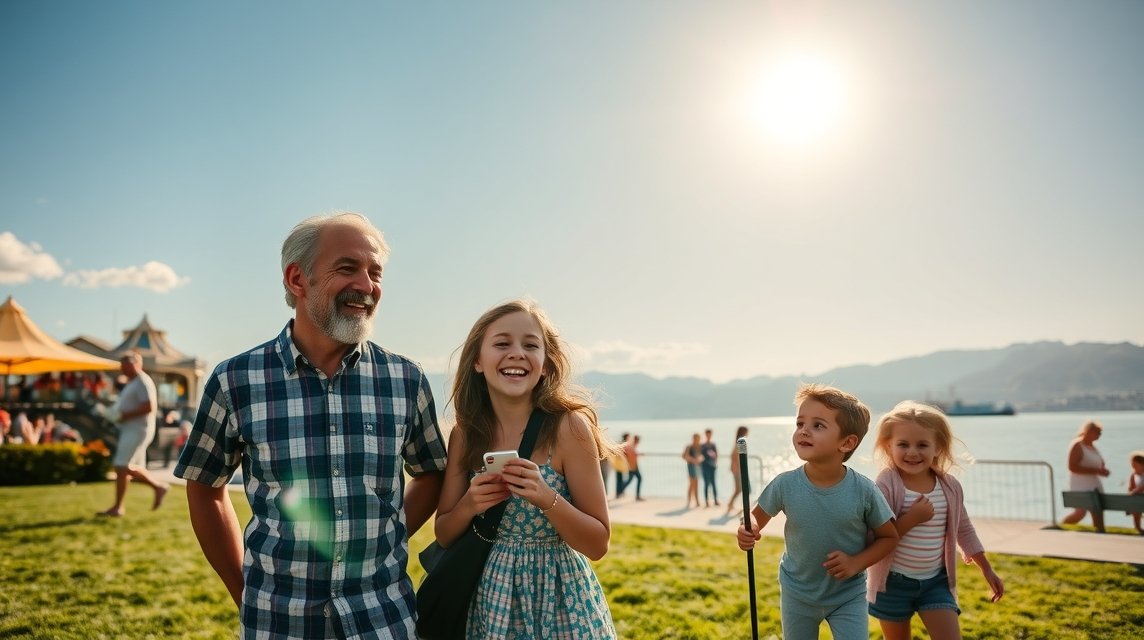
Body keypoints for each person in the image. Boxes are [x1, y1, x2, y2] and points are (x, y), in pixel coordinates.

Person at [174, 212, 448, 640]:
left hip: (384, 618)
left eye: (375, 273)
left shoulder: (405, 379)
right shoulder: (235, 380)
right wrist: (242, 590)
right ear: (297, 280)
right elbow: (205, 488)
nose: (366, 285)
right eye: (347, 268)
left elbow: (432, 471)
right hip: (278, 622)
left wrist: (383, 538)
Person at [433, 299, 618, 638]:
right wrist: (471, 504)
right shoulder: (465, 433)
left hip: (561, 598)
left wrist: (547, 498)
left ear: (546, 364)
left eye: (530, 345)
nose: (517, 353)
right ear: (477, 360)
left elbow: (598, 543)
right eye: (502, 343)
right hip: (491, 600)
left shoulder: (569, 428)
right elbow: (443, 532)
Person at [737, 383, 898, 639]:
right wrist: (749, 528)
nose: (804, 432)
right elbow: (753, 516)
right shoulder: (785, 484)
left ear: (847, 443)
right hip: (797, 593)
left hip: (848, 594)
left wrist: (856, 562)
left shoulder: (864, 491)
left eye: (817, 426)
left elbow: (889, 537)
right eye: (800, 424)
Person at [867, 401, 1004, 639]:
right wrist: (912, 519)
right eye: (903, 444)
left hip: (936, 583)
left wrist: (987, 569)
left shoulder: (950, 487)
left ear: (938, 447)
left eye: (922, 444)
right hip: (892, 584)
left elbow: (964, 528)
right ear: (889, 446)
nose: (912, 452)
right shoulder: (886, 484)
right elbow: (876, 535)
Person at [97, 352, 169, 517]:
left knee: (121, 466)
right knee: (126, 468)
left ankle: (121, 506)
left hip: (138, 429)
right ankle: (155, 489)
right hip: (130, 429)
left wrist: (123, 416)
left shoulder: (143, 382)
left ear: (136, 364)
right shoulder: (133, 382)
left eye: (125, 366)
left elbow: (149, 407)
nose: (123, 370)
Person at [1061, 420, 1110, 532]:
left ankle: (1099, 533)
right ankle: (1061, 527)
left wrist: (1103, 471)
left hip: (1094, 484)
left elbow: (1099, 464)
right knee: (1080, 513)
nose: (1099, 435)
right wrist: (1096, 471)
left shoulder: (1093, 447)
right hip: (1080, 484)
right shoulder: (1077, 445)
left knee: (1097, 512)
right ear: (1089, 431)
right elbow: (1072, 467)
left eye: (1100, 433)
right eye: (1097, 432)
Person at [726, 425, 749, 515]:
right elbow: (734, 456)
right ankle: (733, 505)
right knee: (740, 489)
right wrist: (735, 468)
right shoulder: (741, 442)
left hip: (740, 469)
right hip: (739, 470)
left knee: (740, 489)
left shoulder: (739, 442)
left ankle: (731, 504)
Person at [682, 433, 703, 509]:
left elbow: (702, 456)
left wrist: (700, 459)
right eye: (695, 438)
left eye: (698, 438)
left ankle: (697, 501)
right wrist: (693, 460)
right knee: (691, 484)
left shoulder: (699, 447)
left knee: (696, 484)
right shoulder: (689, 447)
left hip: (698, 467)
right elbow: (684, 456)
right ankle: (689, 501)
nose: (697, 440)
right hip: (691, 467)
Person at [700, 428, 719, 507]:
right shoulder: (702, 445)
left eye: (710, 434)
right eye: (707, 434)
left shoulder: (713, 445)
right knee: (706, 483)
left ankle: (715, 500)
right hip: (705, 466)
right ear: (705, 434)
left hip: (712, 466)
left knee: (714, 483)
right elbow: (700, 455)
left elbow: (716, 455)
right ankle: (707, 501)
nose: (709, 435)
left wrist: (715, 462)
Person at [623, 434, 644, 500]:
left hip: (633, 466)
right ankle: (637, 496)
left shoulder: (632, 446)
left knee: (630, 480)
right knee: (638, 479)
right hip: (633, 466)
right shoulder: (631, 446)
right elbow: (630, 455)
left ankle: (620, 490)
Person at [1128, 452, 1144, 534]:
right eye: (1132, 464)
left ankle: (1138, 528)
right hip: (1138, 499)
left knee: (1136, 503)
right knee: (1135, 506)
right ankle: (1138, 528)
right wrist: (1133, 492)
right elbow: (1131, 488)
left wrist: (1135, 491)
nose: (1133, 466)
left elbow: (1142, 487)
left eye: (1135, 464)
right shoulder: (1133, 475)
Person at [613, 431, 630, 498]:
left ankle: (619, 492)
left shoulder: (620, 443)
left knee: (619, 478)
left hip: (618, 463)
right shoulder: (623, 444)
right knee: (620, 478)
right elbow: (622, 453)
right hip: (619, 463)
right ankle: (619, 492)